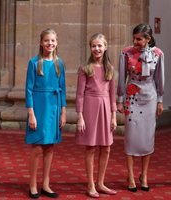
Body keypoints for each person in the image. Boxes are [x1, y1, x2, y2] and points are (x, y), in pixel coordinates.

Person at [117, 23, 164, 192]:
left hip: (150, 97)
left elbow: (159, 78)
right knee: (131, 137)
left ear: (147, 39)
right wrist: (120, 99)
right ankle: (130, 175)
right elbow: (122, 77)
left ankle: (144, 175)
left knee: (147, 138)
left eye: (139, 39)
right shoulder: (125, 52)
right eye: (134, 38)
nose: (135, 41)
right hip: (132, 97)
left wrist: (160, 100)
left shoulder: (158, 54)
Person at [25, 28, 66, 199]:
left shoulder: (59, 63)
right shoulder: (34, 62)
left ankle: (46, 184)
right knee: (37, 148)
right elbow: (28, 90)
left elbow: (62, 89)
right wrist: (31, 114)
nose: (50, 43)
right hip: (39, 107)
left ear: (57, 43)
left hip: (54, 107)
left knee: (50, 147)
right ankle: (33, 184)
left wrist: (63, 113)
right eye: (47, 40)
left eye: (53, 41)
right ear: (41, 42)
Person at [75, 33, 117, 198]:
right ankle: (91, 184)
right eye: (94, 46)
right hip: (90, 108)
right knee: (91, 147)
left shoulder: (110, 69)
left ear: (105, 47)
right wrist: (80, 116)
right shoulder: (85, 68)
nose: (97, 49)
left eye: (100, 45)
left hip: (106, 108)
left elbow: (112, 94)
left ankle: (101, 182)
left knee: (106, 147)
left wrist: (113, 116)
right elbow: (79, 94)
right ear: (90, 47)